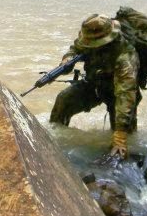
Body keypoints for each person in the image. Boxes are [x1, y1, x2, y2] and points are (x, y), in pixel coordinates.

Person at [49, 13, 142, 160]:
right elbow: (75, 48)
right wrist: (67, 60)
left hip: (118, 93)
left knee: (123, 137)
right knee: (64, 100)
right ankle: (51, 143)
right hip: (94, 83)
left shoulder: (125, 56)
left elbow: (126, 95)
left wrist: (120, 136)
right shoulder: (89, 36)